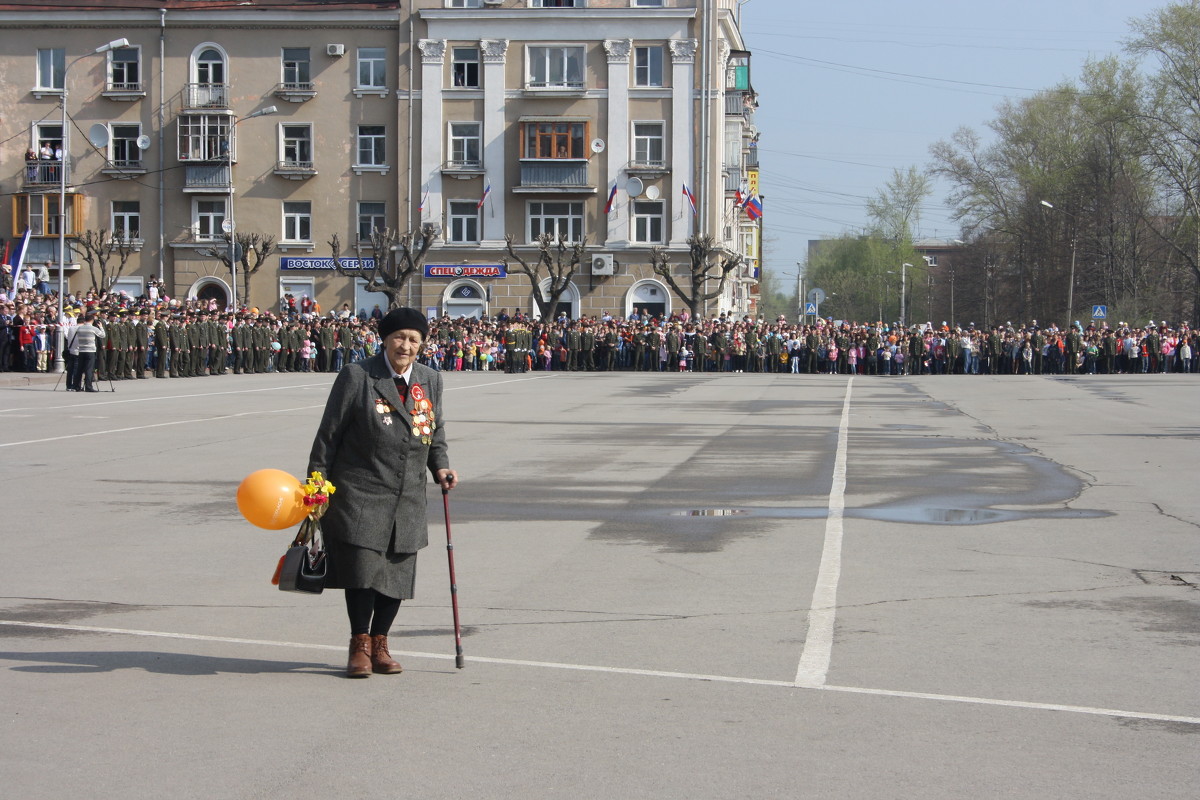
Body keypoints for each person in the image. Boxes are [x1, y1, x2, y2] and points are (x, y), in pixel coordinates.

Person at [307, 307, 458, 679]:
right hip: (361, 489)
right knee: (363, 571)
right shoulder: (357, 376)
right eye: (399, 338)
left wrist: (440, 465)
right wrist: (316, 484)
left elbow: (433, 433)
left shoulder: (430, 380)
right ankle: (359, 645)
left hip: (407, 492)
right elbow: (329, 435)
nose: (405, 346)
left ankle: (381, 643)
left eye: (414, 340)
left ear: (422, 345)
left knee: (396, 573)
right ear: (385, 339)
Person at [67, 311, 105, 392]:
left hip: (81, 350)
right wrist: (101, 327)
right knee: (89, 369)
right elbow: (102, 335)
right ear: (92, 320)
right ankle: (88, 386)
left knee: (79, 369)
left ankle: (77, 386)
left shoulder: (79, 328)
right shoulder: (93, 328)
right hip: (90, 351)